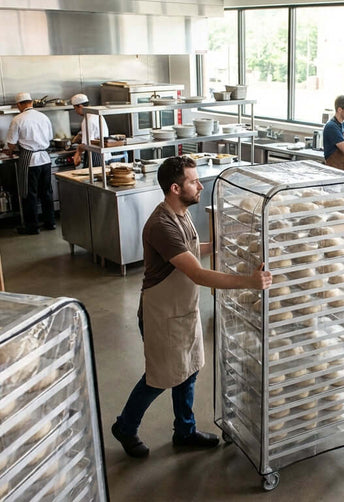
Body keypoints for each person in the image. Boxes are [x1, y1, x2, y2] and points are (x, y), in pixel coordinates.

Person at [110, 156, 272, 459]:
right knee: (159, 377)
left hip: (183, 310)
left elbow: (192, 252)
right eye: (193, 181)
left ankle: (184, 430)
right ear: (175, 187)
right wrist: (249, 282)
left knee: (189, 371)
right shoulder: (161, 225)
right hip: (162, 314)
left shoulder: (181, 213)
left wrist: (226, 245)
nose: (200, 186)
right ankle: (125, 426)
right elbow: (197, 273)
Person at [5, 92, 54, 235]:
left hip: (29, 159)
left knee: (28, 193)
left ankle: (32, 227)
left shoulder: (18, 119)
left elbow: (11, 144)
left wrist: (10, 150)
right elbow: (50, 137)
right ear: (31, 102)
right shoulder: (44, 117)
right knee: (46, 192)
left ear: (19, 105)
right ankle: (50, 223)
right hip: (45, 158)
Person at [69, 93, 110, 168]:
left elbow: (86, 144)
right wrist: (80, 135)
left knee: (92, 178)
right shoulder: (97, 114)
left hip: (95, 155)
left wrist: (77, 153)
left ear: (80, 107)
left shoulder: (88, 120)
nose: (76, 112)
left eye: (75, 109)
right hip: (105, 154)